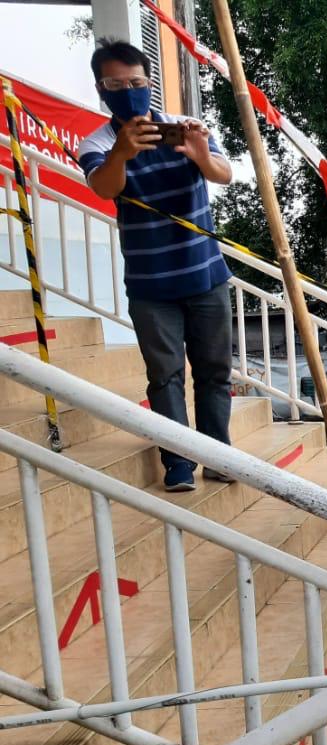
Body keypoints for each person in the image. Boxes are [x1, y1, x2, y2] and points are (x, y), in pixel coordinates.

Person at [78, 40, 234, 492]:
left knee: (214, 373)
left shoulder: (185, 127)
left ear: (150, 83)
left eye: (136, 82)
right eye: (115, 85)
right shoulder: (98, 143)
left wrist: (200, 154)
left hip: (206, 277)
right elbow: (105, 188)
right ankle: (178, 462)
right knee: (165, 377)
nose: (128, 91)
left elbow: (224, 174)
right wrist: (122, 153)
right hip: (151, 289)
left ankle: (220, 457)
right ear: (101, 90)